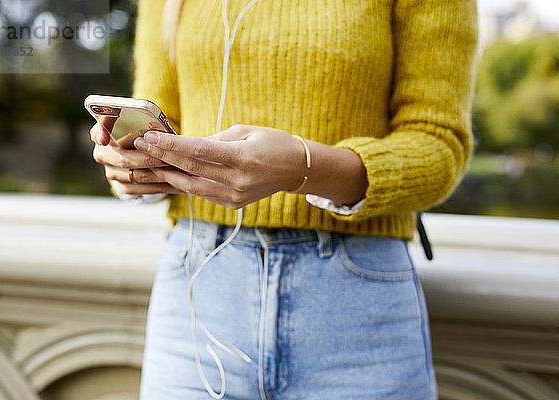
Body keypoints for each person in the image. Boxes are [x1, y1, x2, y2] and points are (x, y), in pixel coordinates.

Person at [90, 0, 478, 398]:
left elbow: (439, 145)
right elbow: (157, 117)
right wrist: (132, 166)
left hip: (356, 307)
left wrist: (301, 168)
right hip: (196, 299)